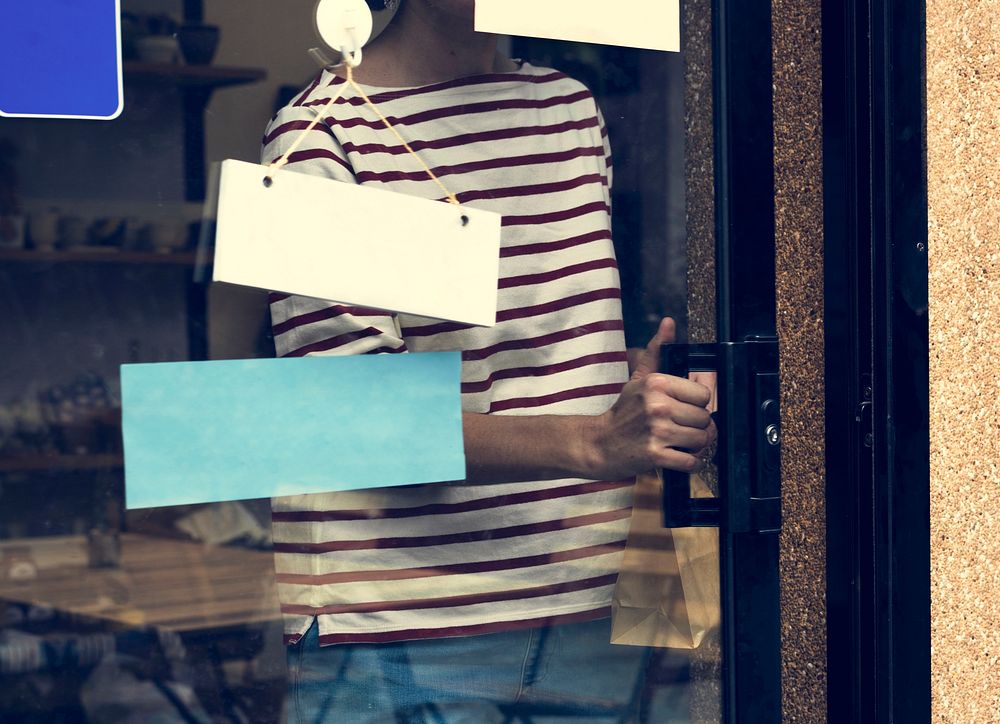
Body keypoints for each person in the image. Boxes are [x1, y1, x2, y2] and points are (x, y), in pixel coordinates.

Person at [261, 1, 715, 720]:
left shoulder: (567, 108)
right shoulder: (323, 132)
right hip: (406, 612)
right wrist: (598, 439)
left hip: (587, 592)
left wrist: (642, 390)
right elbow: (358, 421)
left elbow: (534, 343)